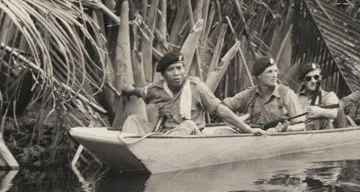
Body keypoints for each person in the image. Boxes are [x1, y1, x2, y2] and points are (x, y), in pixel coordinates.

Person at [121, 51, 266, 136]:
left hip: (193, 137)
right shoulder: (156, 89)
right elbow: (141, 91)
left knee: (188, 124)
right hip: (165, 135)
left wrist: (248, 129)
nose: (176, 73)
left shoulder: (196, 87)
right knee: (133, 120)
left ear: (184, 69)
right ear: (164, 74)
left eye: (179, 68)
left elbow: (221, 110)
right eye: (171, 70)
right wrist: (129, 90)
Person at [222, 56, 306, 133]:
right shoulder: (250, 94)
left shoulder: (286, 94)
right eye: (270, 72)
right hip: (256, 140)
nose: (274, 75)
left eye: (276, 71)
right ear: (259, 75)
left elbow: (302, 126)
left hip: (281, 142)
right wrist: (240, 123)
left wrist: (286, 129)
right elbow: (223, 107)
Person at [296, 62, 340, 130]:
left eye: (316, 77)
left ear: (320, 78)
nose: (313, 81)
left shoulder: (329, 96)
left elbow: (334, 113)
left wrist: (320, 112)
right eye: (308, 78)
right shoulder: (295, 98)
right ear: (303, 81)